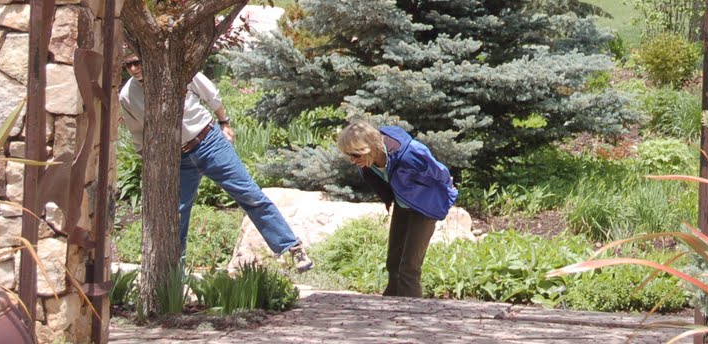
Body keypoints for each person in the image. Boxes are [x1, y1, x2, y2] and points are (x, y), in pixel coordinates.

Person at [118, 51, 312, 272]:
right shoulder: (127, 95)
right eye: (128, 65)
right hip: (177, 157)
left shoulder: (178, 71)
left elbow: (211, 95)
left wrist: (224, 122)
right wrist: (149, 161)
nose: (134, 69)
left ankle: (291, 247)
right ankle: (174, 278)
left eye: (137, 62)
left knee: (248, 192)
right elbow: (138, 133)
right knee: (177, 213)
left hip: (209, 141)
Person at [337, 118, 458, 298]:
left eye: (355, 155)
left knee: (409, 267)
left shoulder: (410, 154)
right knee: (393, 262)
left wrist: (448, 195)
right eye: (349, 156)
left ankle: (411, 315)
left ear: (369, 147)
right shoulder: (368, 163)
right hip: (403, 206)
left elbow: (440, 173)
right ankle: (391, 306)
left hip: (424, 208)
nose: (353, 161)